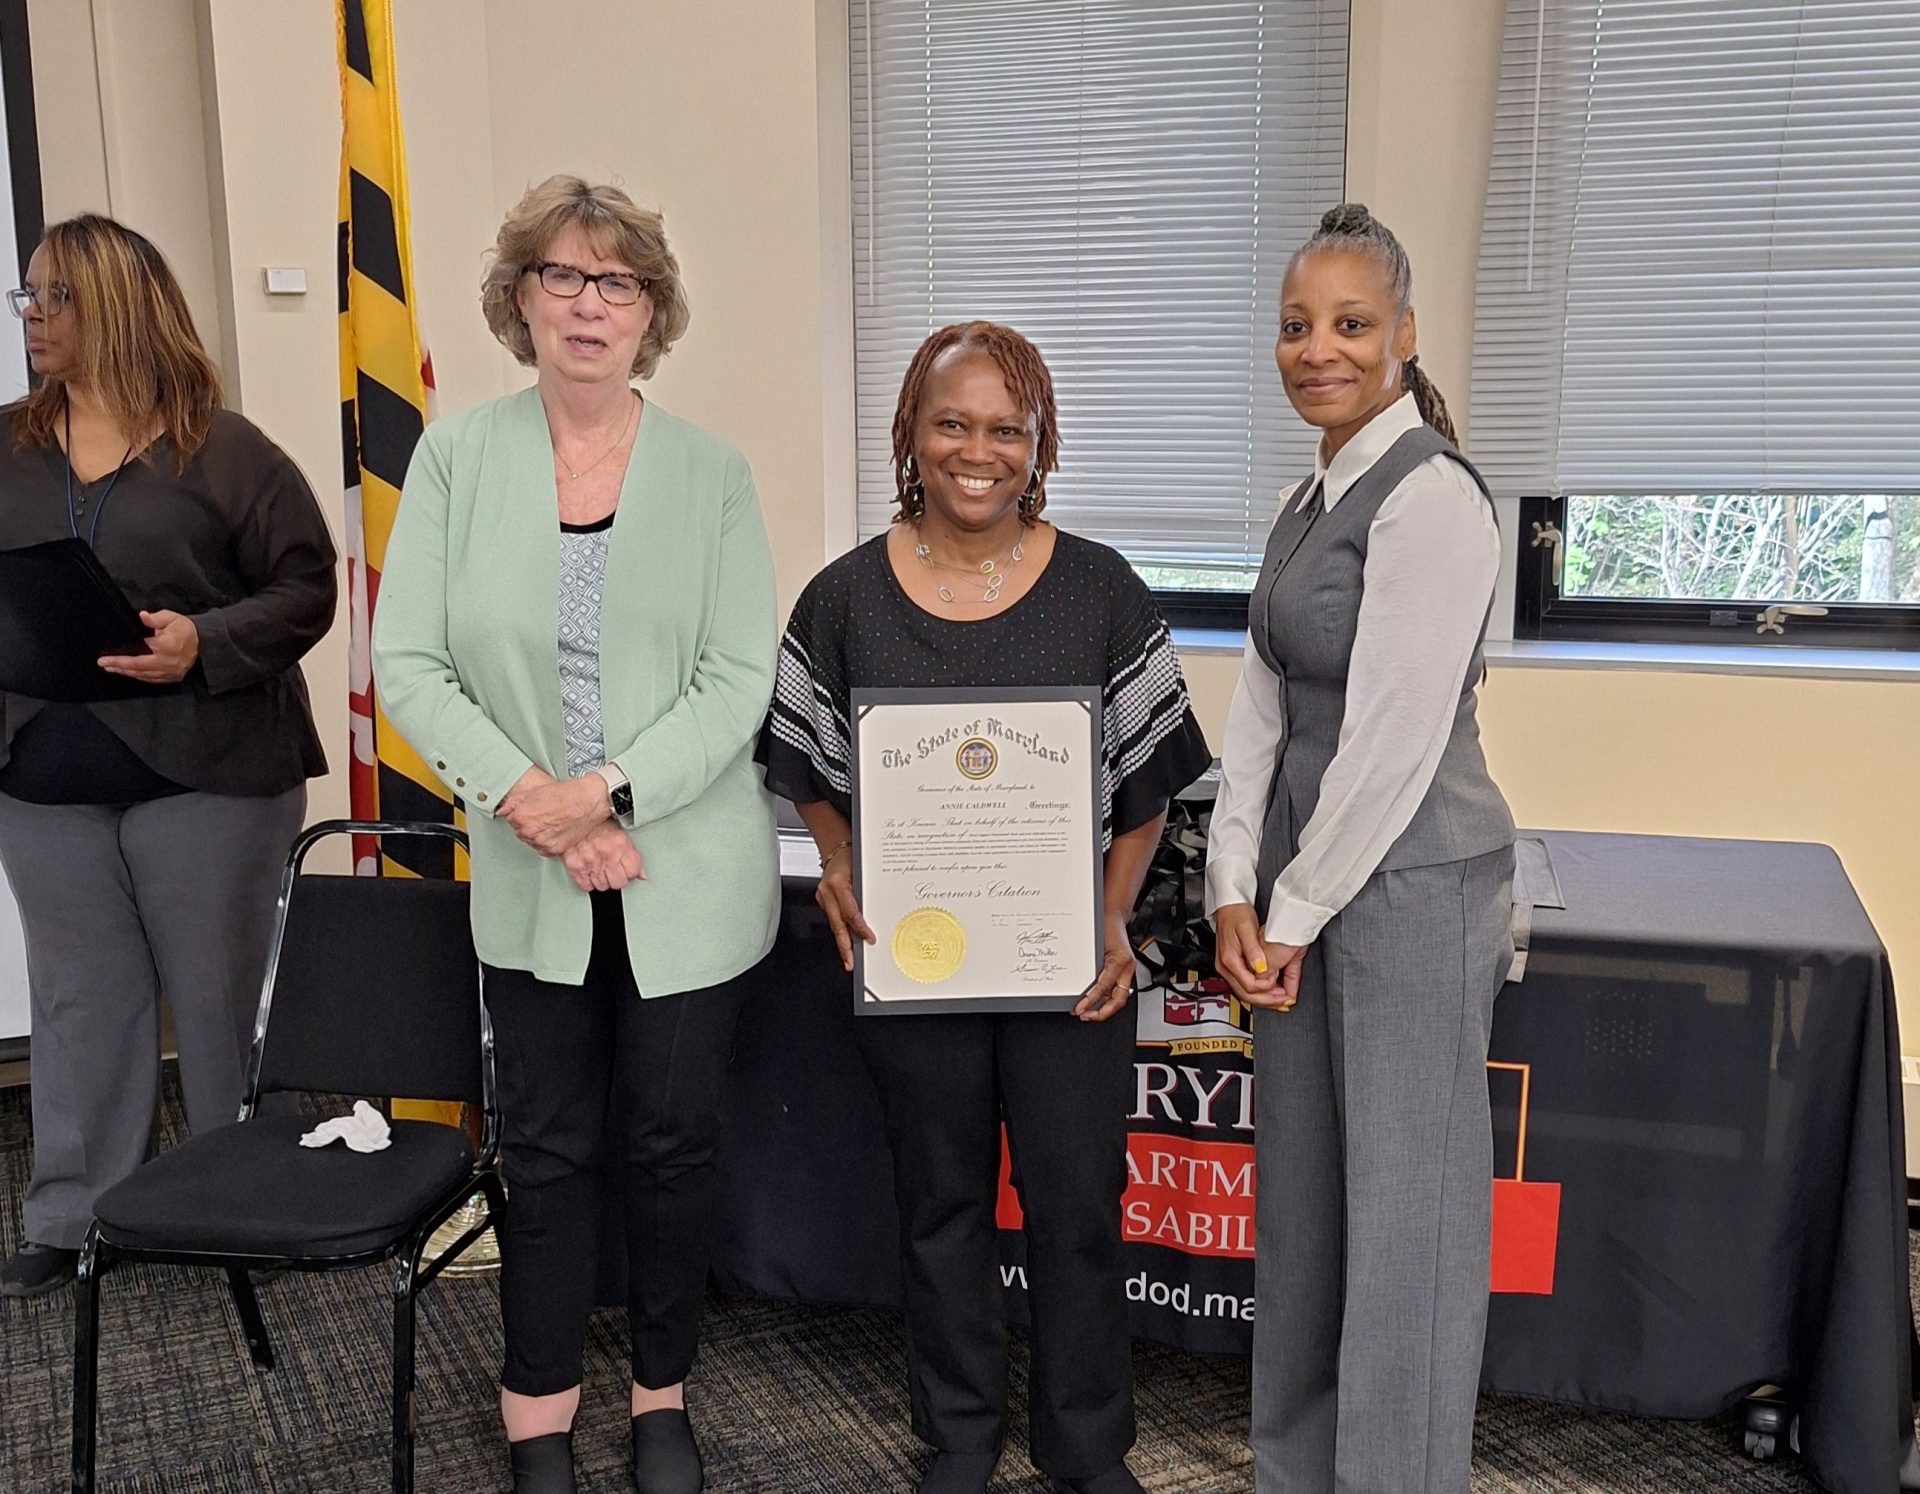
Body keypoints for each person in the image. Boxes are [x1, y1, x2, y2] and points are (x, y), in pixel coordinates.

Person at [372, 176, 779, 1494]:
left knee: (671, 1147)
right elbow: (411, 659)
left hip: (684, 868)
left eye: (618, 283)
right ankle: (536, 1403)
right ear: (519, 297)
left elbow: (735, 679)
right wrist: (534, 803)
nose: (589, 304)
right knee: (544, 1148)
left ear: (651, 308)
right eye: (563, 276)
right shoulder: (455, 456)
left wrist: (600, 793)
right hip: (530, 865)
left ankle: (660, 1392)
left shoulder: (712, 474)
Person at [758, 322, 1211, 1494]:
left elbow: (1146, 790)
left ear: (1039, 441)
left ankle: (1084, 1447)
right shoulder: (846, 596)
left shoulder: (1102, 589)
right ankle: (955, 1438)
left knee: (1076, 1210)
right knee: (939, 1204)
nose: (978, 450)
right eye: (952, 422)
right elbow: (802, 763)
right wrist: (840, 860)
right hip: (918, 963)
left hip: (1070, 965)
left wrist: (1113, 921)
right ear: (910, 431)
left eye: (1006, 428)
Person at [1205, 203, 1517, 1494]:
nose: (1316, 349)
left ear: (1404, 333)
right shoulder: (1305, 493)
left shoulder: (1433, 495)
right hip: (1303, 889)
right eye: (1295, 325)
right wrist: (1233, 885)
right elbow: (1263, 706)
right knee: (1311, 1217)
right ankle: (1298, 1472)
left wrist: (1289, 909)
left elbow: (1387, 742)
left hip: (1409, 886)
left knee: (1404, 1226)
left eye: (1348, 323)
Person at [0, 215, 336, 1297]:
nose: (34, 317)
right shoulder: (5, 443)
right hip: (43, 780)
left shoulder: (224, 449)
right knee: (79, 1001)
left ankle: (251, 1207)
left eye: (55, 298)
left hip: (211, 771)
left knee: (222, 996)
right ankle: (74, 1217)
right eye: (30, 297)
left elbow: (306, 586)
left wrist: (205, 642)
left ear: (119, 309)